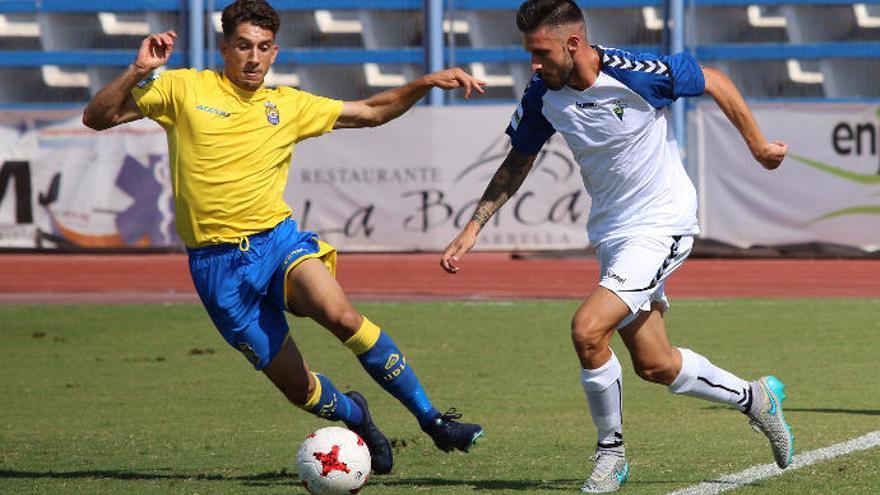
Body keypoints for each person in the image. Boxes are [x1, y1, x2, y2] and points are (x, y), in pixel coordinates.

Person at [82, 0, 485, 476]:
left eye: (264, 48)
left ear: (275, 52)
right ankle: (359, 417)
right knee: (299, 389)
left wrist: (422, 83)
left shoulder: (287, 104)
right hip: (217, 269)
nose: (254, 57)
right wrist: (137, 69)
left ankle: (433, 420)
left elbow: (372, 112)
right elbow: (99, 117)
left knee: (343, 316)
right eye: (244, 46)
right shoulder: (182, 88)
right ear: (224, 47)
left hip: (277, 244)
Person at [440, 0, 793, 492]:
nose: (533, 64)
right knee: (655, 364)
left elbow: (713, 78)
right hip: (613, 233)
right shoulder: (543, 93)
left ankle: (611, 455)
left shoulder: (636, 73)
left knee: (587, 331)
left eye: (540, 52)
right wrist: (474, 226)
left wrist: (758, 146)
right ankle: (755, 399)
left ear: (573, 43)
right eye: (529, 54)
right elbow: (518, 160)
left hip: (662, 223)